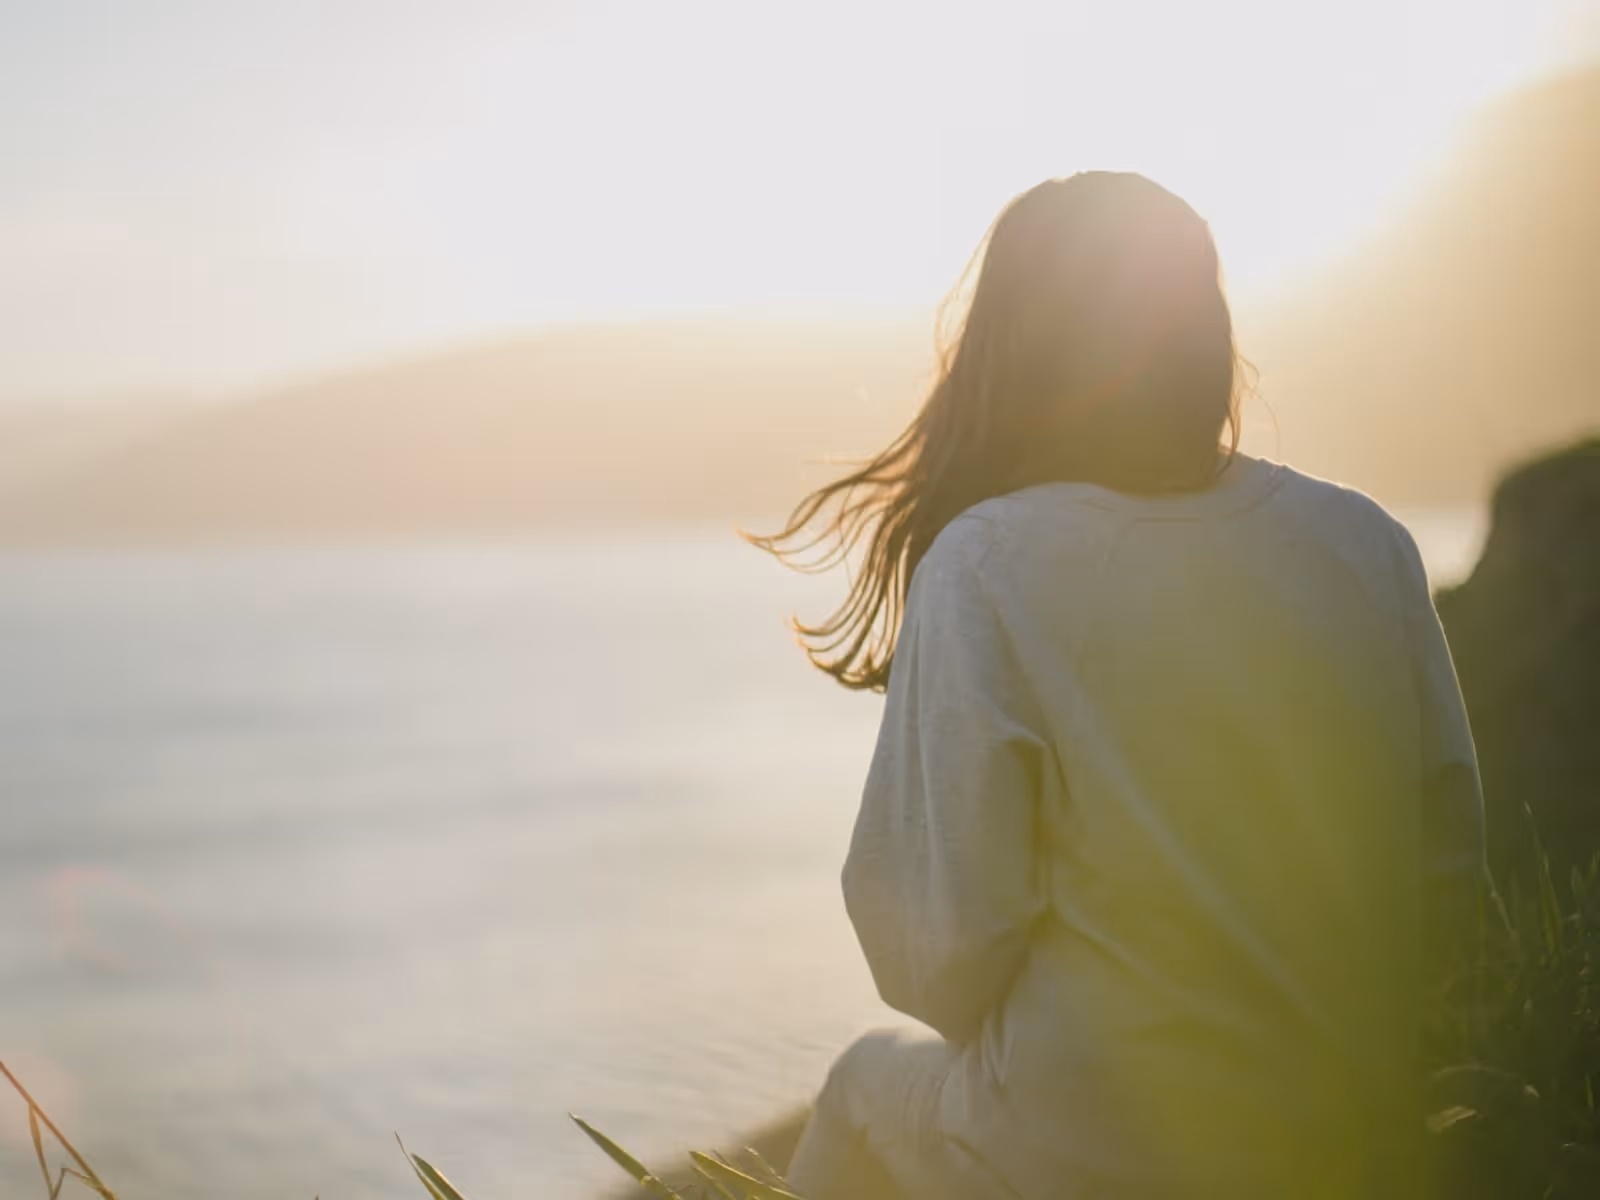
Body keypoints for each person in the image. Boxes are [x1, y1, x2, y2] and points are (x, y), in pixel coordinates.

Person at [747, 172, 1486, 1200]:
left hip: (1091, 1150)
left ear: (1012, 348)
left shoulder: (990, 562)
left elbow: (935, 955)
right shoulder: (1362, 539)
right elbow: (1447, 877)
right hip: (1348, 1132)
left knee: (861, 1092)